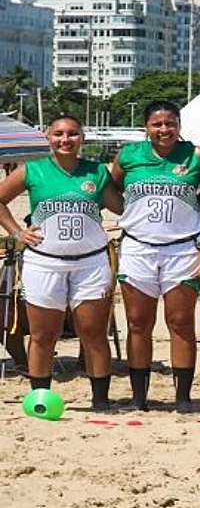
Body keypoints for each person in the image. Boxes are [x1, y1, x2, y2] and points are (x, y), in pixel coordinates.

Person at [0, 115, 122, 411]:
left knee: (93, 333)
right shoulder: (32, 170)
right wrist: (16, 232)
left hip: (90, 262)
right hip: (45, 261)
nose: (65, 140)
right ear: (48, 136)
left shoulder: (97, 172)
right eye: (58, 134)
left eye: (72, 134)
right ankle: (40, 398)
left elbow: (122, 208)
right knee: (44, 335)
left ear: (82, 137)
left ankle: (101, 401)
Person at [111, 101, 200, 412]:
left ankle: (182, 397)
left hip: (182, 248)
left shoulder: (197, 155)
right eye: (157, 124)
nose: (164, 129)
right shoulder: (129, 156)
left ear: (180, 125)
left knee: (180, 322)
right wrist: (130, 214)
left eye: (170, 123)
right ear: (146, 127)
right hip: (138, 247)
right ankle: (139, 397)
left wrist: (195, 208)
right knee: (138, 322)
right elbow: (111, 188)